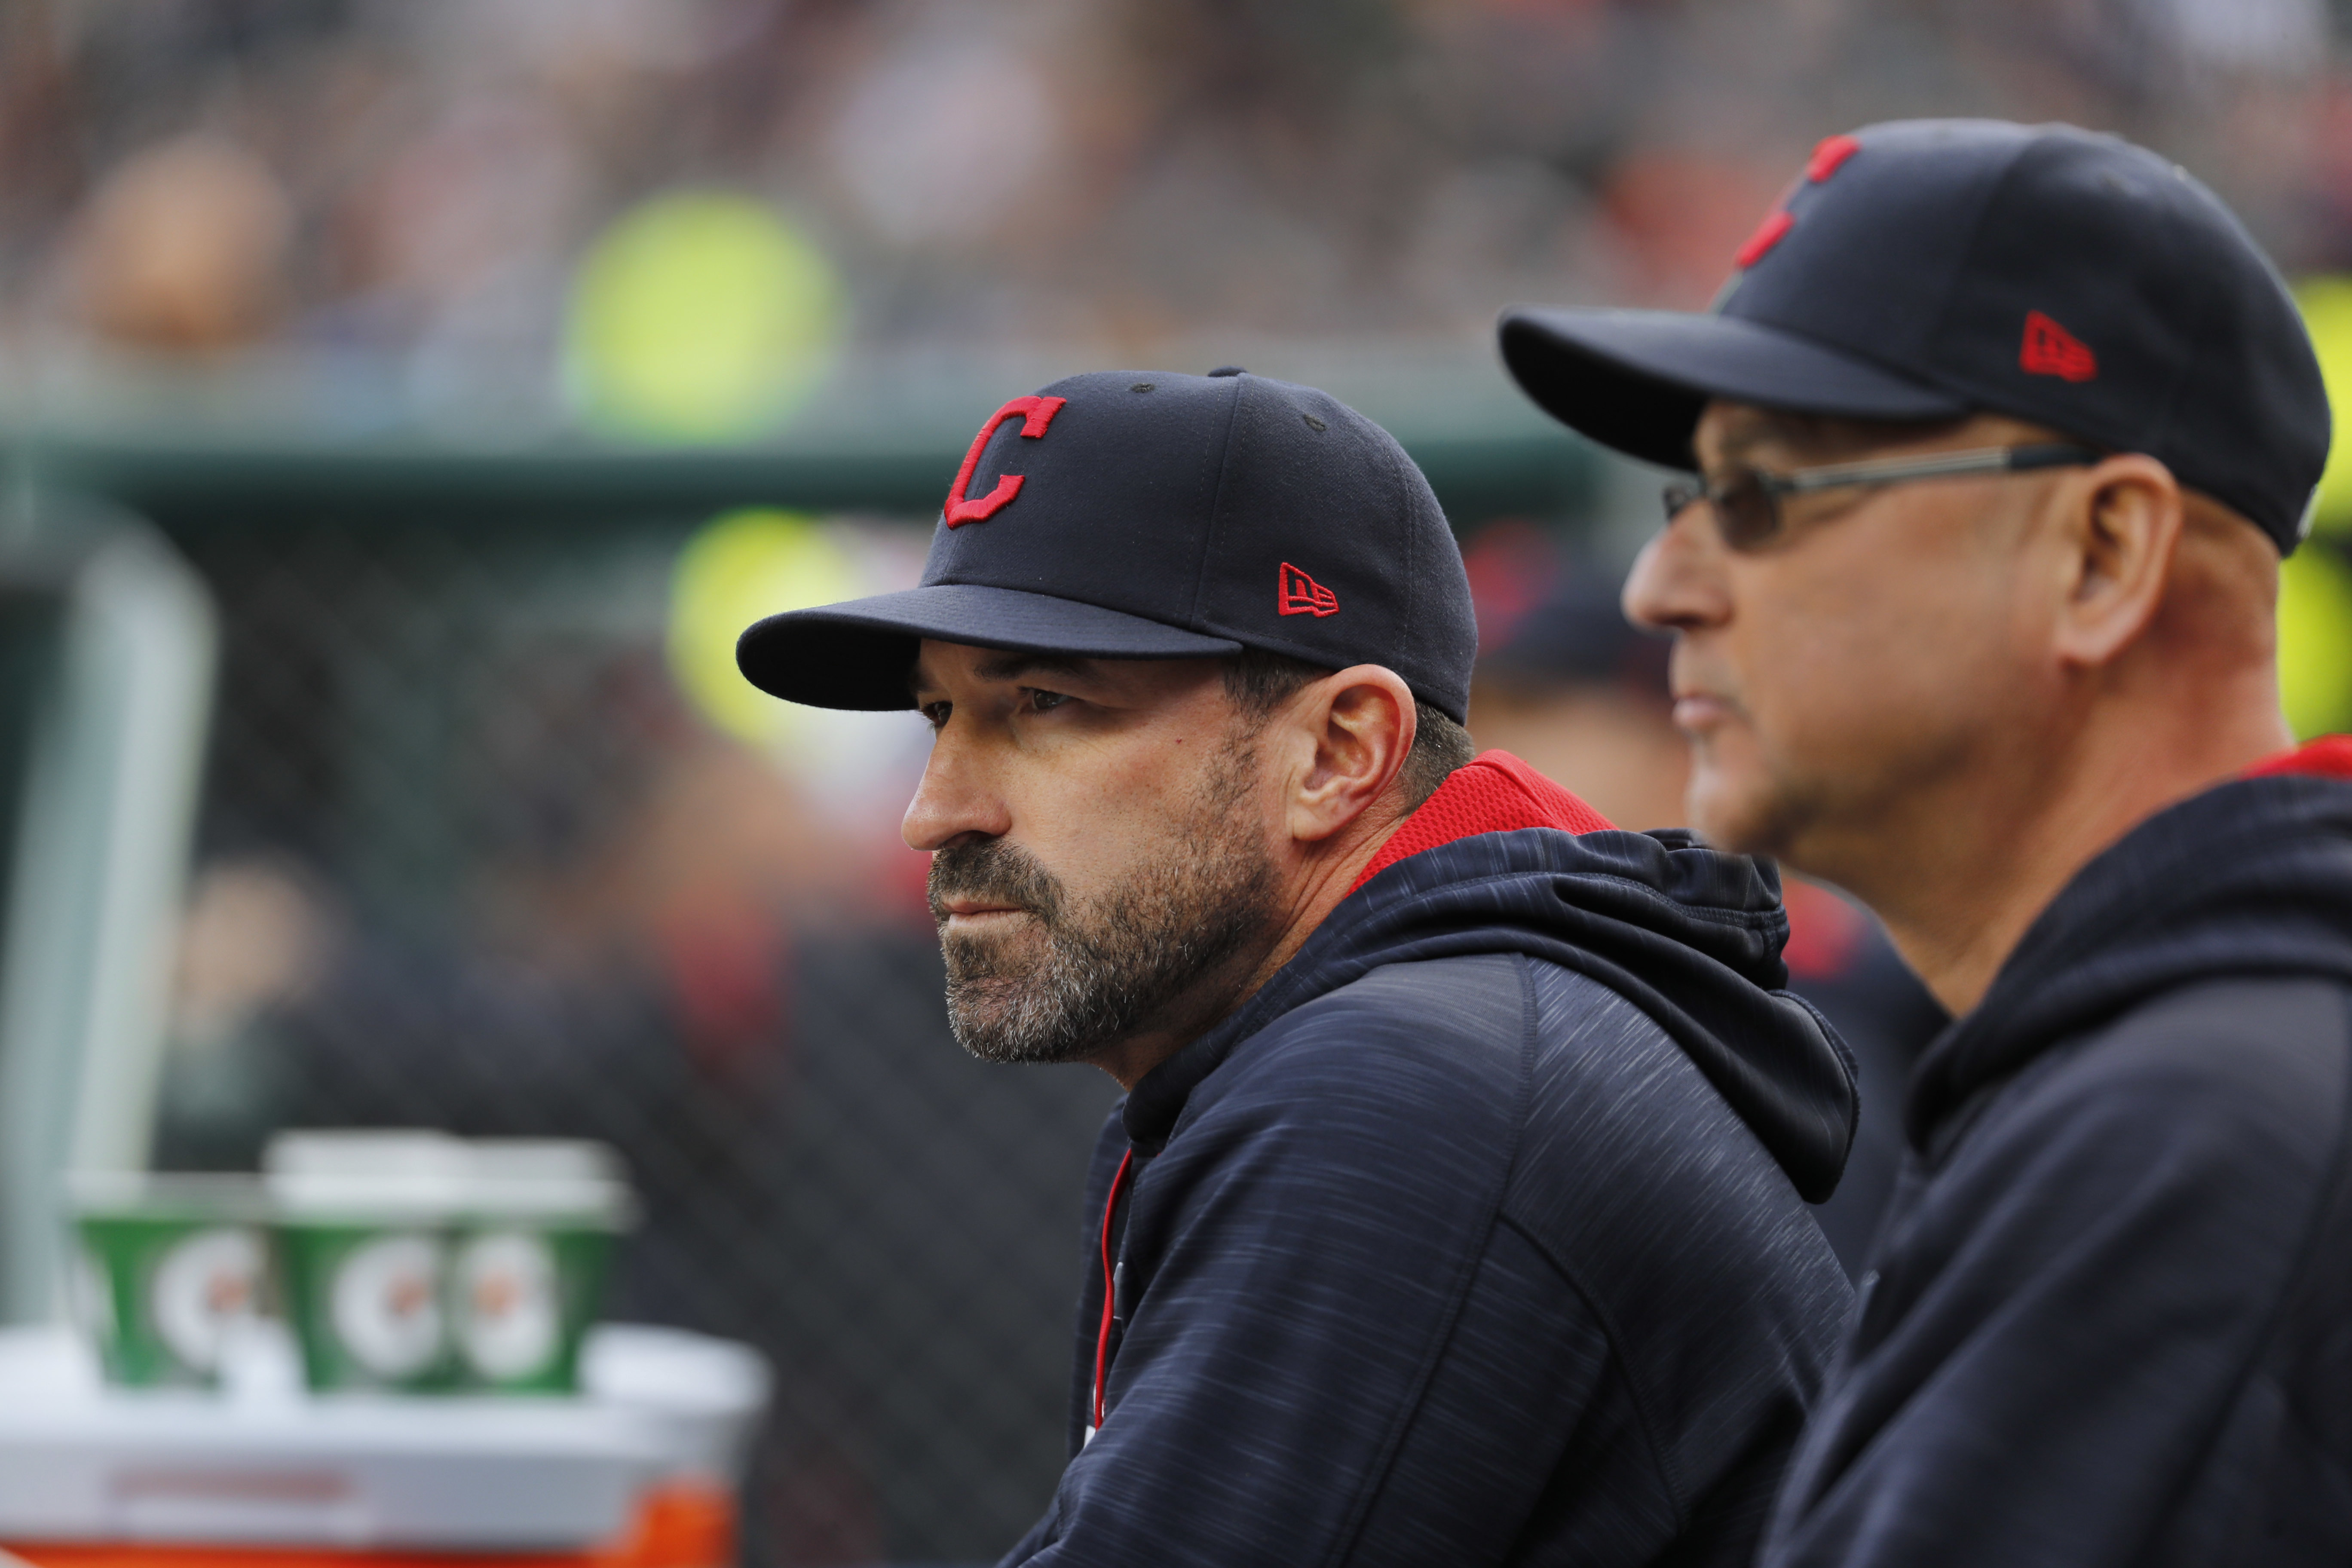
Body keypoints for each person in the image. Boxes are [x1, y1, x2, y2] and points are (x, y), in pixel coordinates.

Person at [735, 367, 1859, 1565]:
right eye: (938, 717)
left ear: (1339, 751)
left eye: (1045, 703)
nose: (935, 811)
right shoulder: (1450, 1027)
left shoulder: (1409, 1088)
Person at [1501, 117, 2352, 1565]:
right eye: (1686, 498)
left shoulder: (2192, 1127)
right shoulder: (2151, 1065)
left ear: (2098, 557)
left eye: (1761, 495)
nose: (1659, 583)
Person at [1473, 566, 1944, 1276]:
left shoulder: (1820, 1019)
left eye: (1529, 711)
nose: (1482, 752)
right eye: (1468, 715)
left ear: (1679, 737)